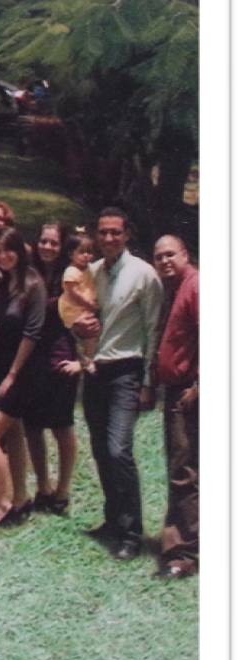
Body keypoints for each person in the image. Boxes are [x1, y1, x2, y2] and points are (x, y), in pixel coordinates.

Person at [73, 208, 163, 561]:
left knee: (118, 450)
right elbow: (78, 317)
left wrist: (148, 383)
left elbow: (153, 329)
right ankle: (113, 521)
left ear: (127, 235)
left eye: (115, 232)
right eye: (103, 232)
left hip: (127, 370)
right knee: (100, 448)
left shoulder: (144, 274)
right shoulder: (91, 272)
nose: (109, 238)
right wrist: (79, 333)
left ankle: (131, 533)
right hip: (96, 371)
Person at [0, 227, 45, 528]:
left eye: (8, 250)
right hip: (3, 365)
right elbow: (13, 324)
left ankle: (2, 501)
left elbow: (32, 333)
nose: (3, 256)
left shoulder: (33, 284)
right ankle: (20, 498)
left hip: (23, 371)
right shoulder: (6, 282)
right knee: (13, 433)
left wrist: (13, 375)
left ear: (19, 250)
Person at [26, 222, 81, 517]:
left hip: (60, 357)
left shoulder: (71, 278)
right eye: (43, 241)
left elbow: (88, 316)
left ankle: (63, 490)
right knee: (33, 426)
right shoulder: (30, 272)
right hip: (32, 357)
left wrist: (82, 360)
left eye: (53, 243)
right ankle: (43, 487)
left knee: (62, 426)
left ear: (62, 247)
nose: (47, 247)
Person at [153, 235, 198, 579]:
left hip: (189, 391)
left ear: (185, 255)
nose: (165, 260)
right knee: (183, 465)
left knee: (184, 470)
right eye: (159, 257)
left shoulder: (196, 286)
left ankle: (185, 553)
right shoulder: (174, 289)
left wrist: (199, 384)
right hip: (176, 389)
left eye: (171, 254)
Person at [59, 231, 101, 372]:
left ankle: (87, 359)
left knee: (92, 333)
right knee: (89, 333)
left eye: (89, 252)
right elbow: (73, 293)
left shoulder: (88, 269)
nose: (86, 255)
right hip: (73, 309)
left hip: (83, 307)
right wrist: (89, 304)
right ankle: (86, 360)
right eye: (82, 252)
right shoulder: (71, 271)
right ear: (71, 254)